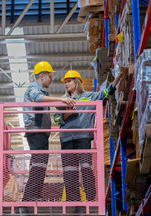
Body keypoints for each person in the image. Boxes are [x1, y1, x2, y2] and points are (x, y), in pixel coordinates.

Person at [54, 70, 123, 215]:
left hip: (83, 137)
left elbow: (106, 94)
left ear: (77, 82)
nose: (66, 84)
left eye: (69, 81)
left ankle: (91, 198)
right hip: (66, 139)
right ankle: (75, 202)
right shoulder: (62, 101)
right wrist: (67, 113)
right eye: (65, 82)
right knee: (69, 172)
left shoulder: (88, 97)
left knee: (86, 167)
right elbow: (56, 119)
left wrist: (118, 77)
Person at [19, 61, 75, 215]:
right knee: (38, 164)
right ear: (41, 76)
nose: (51, 79)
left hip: (41, 132)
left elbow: (49, 102)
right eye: (49, 76)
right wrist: (62, 100)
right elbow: (36, 98)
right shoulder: (34, 88)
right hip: (35, 130)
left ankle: (33, 195)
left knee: (40, 164)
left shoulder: (44, 93)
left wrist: (64, 104)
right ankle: (28, 199)